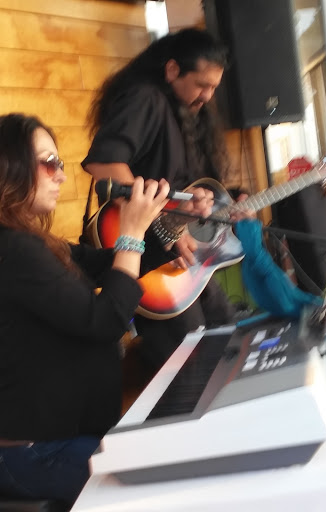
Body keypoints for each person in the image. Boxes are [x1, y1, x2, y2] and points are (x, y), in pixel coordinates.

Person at [0, 113, 211, 508]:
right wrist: (132, 232)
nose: (61, 175)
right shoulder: (13, 250)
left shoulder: (33, 242)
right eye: (49, 163)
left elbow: (108, 265)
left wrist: (170, 222)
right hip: (35, 453)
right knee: (174, 490)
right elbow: (106, 319)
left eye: (60, 163)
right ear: (9, 167)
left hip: (61, 439)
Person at [82, 28, 247, 373]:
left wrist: (215, 202)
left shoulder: (186, 114)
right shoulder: (146, 99)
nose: (207, 96)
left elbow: (177, 187)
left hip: (177, 259)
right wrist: (164, 224)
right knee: (194, 365)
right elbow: (104, 164)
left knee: (227, 338)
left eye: (214, 87)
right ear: (172, 70)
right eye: (201, 85)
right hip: (147, 257)